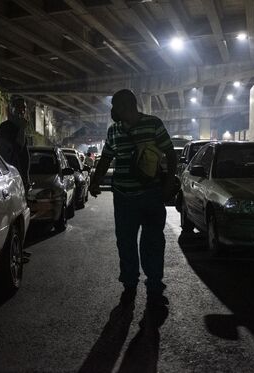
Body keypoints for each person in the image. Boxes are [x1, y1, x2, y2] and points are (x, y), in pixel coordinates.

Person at [89, 89, 177, 307]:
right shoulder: (113, 131)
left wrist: (167, 185)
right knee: (125, 241)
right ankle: (130, 282)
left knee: (153, 241)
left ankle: (154, 282)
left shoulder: (153, 124)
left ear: (128, 105)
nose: (112, 111)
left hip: (151, 194)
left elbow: (171, 154)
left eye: (115, 106)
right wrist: (95, 180)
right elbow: (106, 158)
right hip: (123, 196)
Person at [0, 96, 30, 192]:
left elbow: (24, 154)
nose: (22, 111)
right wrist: (21, 129)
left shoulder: (20, 126)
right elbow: (16, 149)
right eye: (19, 107)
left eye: (24, 108)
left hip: (22, 177)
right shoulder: (6, 127)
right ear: (12, 109)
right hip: (12, 176)